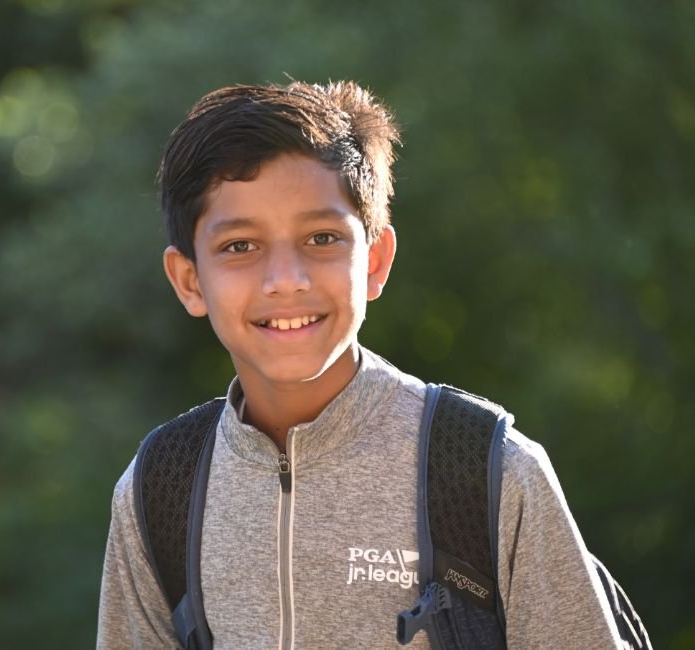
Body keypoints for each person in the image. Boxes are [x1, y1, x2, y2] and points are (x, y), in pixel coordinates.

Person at [96, 80, 623, 648]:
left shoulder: (489, 470)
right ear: (189, 281)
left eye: (321, 237)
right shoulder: (160, 488)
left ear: (375, 261)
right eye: (240, 247)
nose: (285, 280)